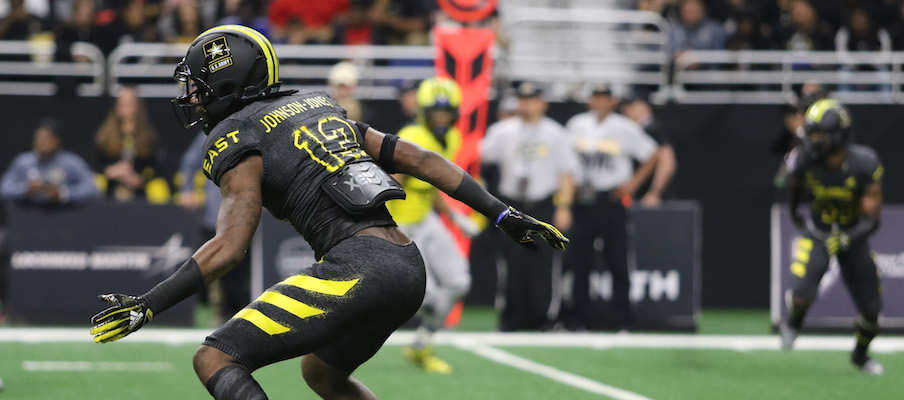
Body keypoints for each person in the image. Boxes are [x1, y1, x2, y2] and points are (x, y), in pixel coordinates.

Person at [89, 25, 567, 400]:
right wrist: (502, 214)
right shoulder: (315, 103)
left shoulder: (235, 135)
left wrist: (150, 302)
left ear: (225, 83)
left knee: (215, 358)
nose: (192, 98)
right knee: (323, 375)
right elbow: (418, 159)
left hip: (357, 269)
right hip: (407, 265)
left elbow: (230, 247)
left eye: (199, 86)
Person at [779, 99, 884, 376]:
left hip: (854, 235)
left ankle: (860, 355)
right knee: (802, 292)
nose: (813, 139)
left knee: (872, 310)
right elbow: (794, 192)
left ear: (838, 134)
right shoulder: (804, 158)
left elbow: (873, 219)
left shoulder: (864, 163)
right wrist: (798, 220)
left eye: (819, 134)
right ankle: (793, 322)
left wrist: (849, 237)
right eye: (810, 133)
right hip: (820, 229)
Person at [386, 78, 480, 374]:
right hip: (401, 223)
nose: (442, 118)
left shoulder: (452, 138)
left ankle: (420, 347)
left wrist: (455, 217)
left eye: (446, 112)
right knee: (423, 294)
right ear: (424, 111)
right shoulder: (412, 135)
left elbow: (430, 185)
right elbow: (392, 182)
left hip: (426, 220)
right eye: (436, 112)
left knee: (458, 282)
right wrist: (383, 226)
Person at [558, 83, 659, 332]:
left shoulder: (624, 128)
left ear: (613, 101)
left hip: (611, 199)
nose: (600, 102)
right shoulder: (576, 125)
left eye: (605, 98)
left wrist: (633, 184)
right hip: (584, 199)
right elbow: (565, 163)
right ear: (589, 101)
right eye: (596, 97)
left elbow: (652, 153)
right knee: (579, 259)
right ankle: (578, 317)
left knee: (617, 258)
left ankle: (622, 317)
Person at [481, 81, 578, 332]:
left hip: (542, 204)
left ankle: (544, 317)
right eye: (522, 100)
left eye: (531, 100)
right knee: (511, 263)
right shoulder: (502, 131)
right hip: (511, 204)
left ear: (542, 103)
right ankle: (511, 318)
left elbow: (566, 174)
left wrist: (564, 206)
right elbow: (481, 161)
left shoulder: (556, 133)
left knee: (543, 264)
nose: (526, 105)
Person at [177, 132, 251, 322]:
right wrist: (187, 190)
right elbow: (189, 162)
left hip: (243, 213)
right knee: (203, 264)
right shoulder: (210, 133)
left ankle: (232, 314)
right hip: (215, 214)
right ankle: (187, 310)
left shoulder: (250, 130)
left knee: (237, 272)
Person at [95, 86, 169, 203]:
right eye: (122, 103)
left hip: (140, 186)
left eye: (130, 103)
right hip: (112, 184)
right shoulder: (105, 135)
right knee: (95, 183)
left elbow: (158, 167)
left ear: (138, 106)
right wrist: (111, 171)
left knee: (159, 188)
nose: (126, 107)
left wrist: (139, 179)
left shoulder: (149, 135)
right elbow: (95, 164)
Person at [1, 119, 98, 206]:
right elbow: (4, 188)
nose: (41, 142)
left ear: (57, 141)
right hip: (27, 215)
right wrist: (26, 190)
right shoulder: (23, 162)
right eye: (38, 138)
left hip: (64, 216)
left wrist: (63, 193)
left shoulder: (71, 162)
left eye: (47, 138)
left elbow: (92, 188)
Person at [619, 96, 676, 207]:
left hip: (646, 196)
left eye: (631, 106)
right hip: (626, 196)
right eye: (625, 107)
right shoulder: (620, 129)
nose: (626, 110)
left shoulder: (652, 130)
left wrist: (654, 192)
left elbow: (666, 159)